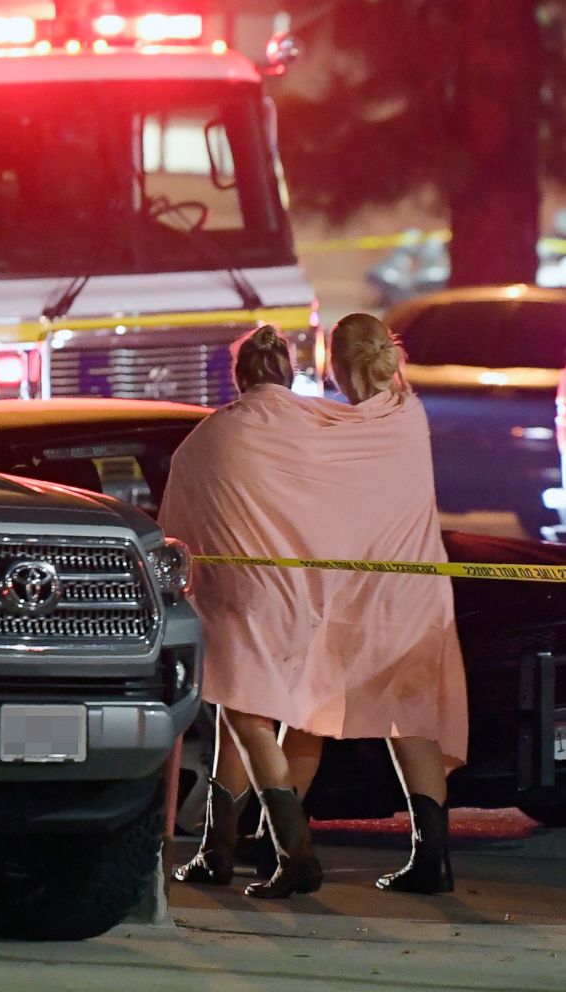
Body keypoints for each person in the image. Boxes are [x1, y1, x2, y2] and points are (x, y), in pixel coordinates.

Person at [159, 316, 467, 898]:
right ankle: (430, 858)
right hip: (409, 592)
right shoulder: (400, 417)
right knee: (407, 717)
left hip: (333, 595)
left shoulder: (260, 429)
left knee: (273, 712)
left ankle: (266, 845)